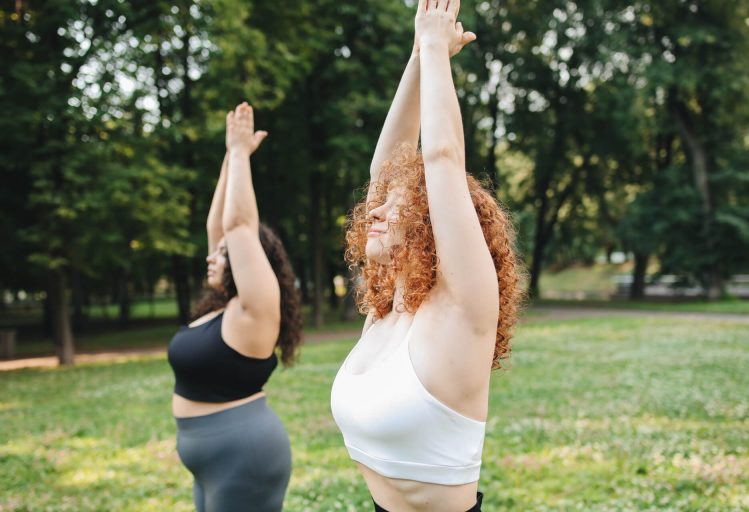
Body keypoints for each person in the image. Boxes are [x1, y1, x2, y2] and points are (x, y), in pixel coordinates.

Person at [331, 1, 524, 511]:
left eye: (396, 206)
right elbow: (383, 170)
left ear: (432, 225)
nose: (375, 210)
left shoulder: (462, 309)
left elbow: (442, 159)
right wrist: (418, 55)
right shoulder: (387, 311)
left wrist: (437, 47)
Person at [167, 102, 302, 512]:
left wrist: (242, 154)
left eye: (224, 253)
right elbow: (218, 225)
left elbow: (238, 225)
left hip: (243, 457)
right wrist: (231, 156)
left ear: (250, 262)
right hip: (207, 458)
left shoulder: (255, 310)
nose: (212, 256)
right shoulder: (221, 307)